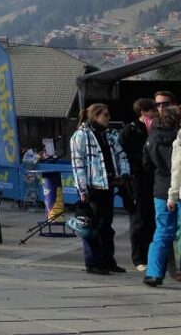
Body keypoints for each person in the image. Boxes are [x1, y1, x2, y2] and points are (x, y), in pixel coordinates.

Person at [70, 103, 130, 274]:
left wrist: (124, 174)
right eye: (105, 115)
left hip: (108, 184)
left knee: (106, 226)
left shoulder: (109, 135)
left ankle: (108, 260)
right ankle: (93, 263)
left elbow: (121, 155)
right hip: (92, 187)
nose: (109, 118)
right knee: (91, 226)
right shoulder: (80, 136)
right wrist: (82, 189)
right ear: (95, 116)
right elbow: (77, 164)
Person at [143, 106, 180, 286]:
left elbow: (146, 164)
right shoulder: (178, 138)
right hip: (178, 188)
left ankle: (153, 273)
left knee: (162, 231)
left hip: (160, 188)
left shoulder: (151, 138)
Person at [119, 98, 157, 271]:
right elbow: (122, 154)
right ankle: (138, 258)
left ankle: (151, 255)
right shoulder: (130, 131)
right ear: (143, 112)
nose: (156, 113)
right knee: (139, 219)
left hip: (154, 179)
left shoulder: (155, 129)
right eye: (152, 110)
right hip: (138, 179)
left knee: (152, 219)